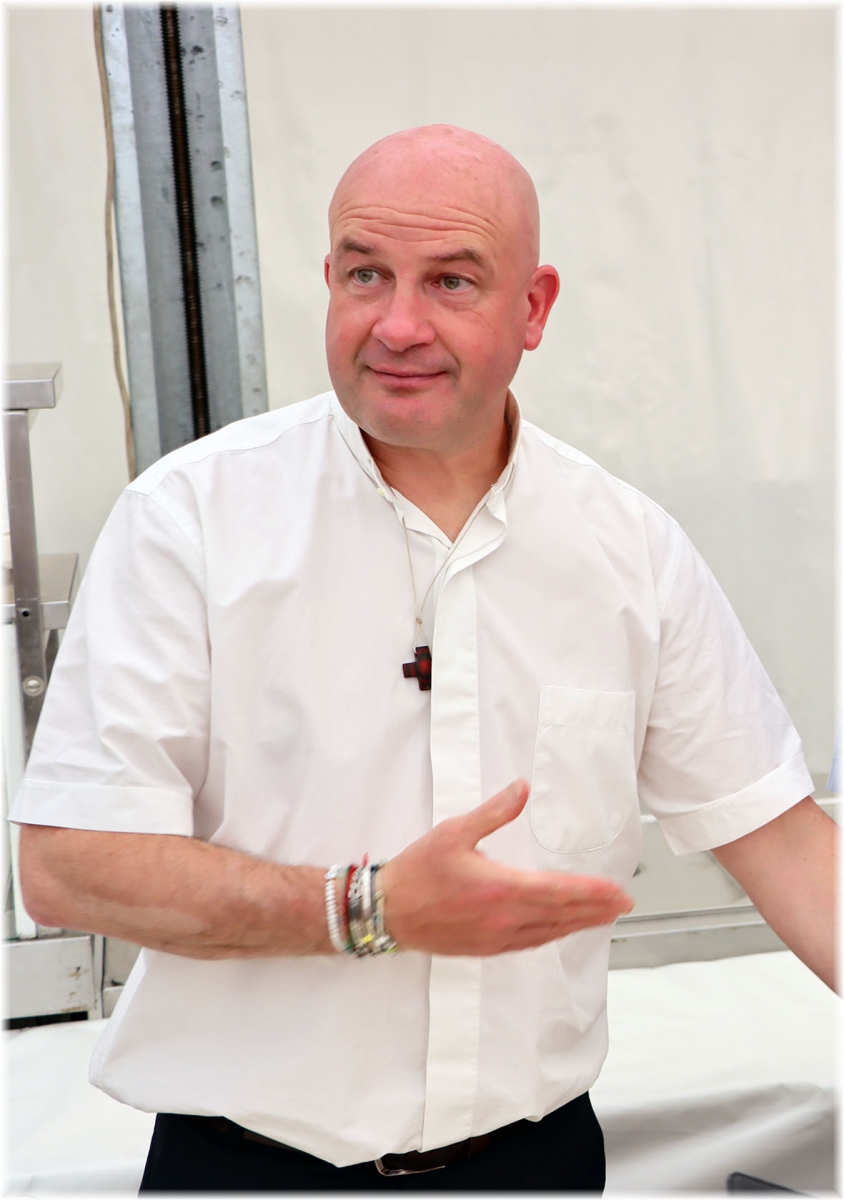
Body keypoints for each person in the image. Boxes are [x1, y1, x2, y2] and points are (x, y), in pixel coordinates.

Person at [12, 125, 837, 1192]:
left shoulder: (627, 549)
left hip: (535, 1162)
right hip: (253, 1168)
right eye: (367, 275)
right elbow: (70, 864)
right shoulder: (191, 520)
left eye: (452, 281)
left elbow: (789, 848)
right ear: (327, 280)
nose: (398, 326)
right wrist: (370, 908)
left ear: (533, 308)